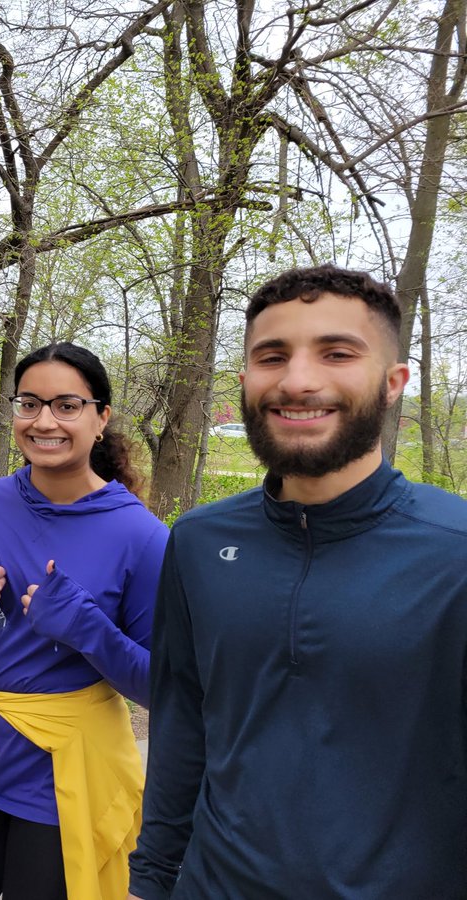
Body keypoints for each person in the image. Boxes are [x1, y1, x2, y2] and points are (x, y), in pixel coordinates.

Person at [128, 264, 467, 899]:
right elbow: (183, 727)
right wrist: (150, 879)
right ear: (245, 379)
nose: (298, 380)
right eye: (272, 356)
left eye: (337, 353)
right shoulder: (198, 542)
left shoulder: (454, 552)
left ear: (393, 383)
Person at [0, 341, 169, 900]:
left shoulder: (143, 537)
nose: (44, 421)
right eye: (30, 403)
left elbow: (160, 685)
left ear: (101, 418)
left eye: (67, 405)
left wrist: (85, 628)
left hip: (66, 776)